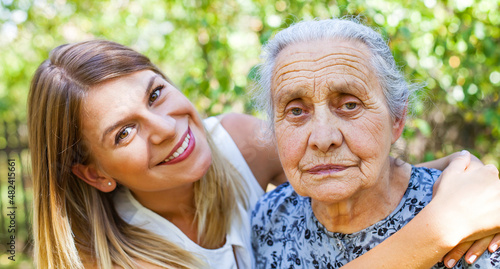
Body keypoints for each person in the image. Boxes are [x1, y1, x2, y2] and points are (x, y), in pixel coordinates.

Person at [28, 39, 499, 269]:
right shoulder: (102, 260)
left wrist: (454, 172)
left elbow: (341, 157)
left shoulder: (234, 143)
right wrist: (441, 228)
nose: (167, 128)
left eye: (154, 95)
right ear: (94, 174)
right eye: (125, 132)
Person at [251, 18, 500, 268]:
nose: (323, 139)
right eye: (296, 111)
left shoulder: (477, 225)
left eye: (350, 105)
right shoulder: (271, 217)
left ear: (397, 118)